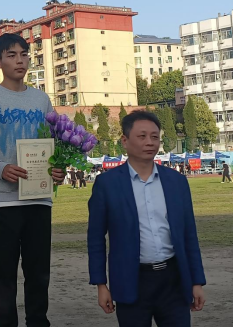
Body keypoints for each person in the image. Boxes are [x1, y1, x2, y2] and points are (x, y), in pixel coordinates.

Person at [0, 33, 65, 327]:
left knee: (39, 274)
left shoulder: (41, 99)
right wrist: (1, 168)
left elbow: (55, 142)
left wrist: (58, 168)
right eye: (11, 55)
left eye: (24, 54)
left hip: (39, 198)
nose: (20, 60)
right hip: (2, 201)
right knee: (4, 276)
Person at [87, 111, 206, 327]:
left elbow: (189, 234)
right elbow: (95, 238)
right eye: (142, 136)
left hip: (173, 281)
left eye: (154, 136)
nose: (150, 142)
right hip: (131, 280)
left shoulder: (176, 181)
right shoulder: (107, 184)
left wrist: (196, 281)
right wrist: (101, 284)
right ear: (125, 141)